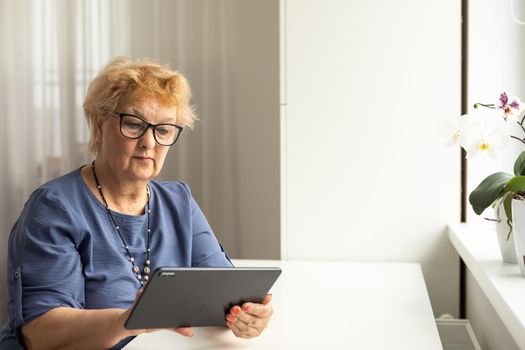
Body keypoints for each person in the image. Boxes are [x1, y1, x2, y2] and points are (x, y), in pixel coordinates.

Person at [0, 57, 274, 349]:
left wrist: (248, 314)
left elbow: (225, 292)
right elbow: (40, 334)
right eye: (134, 124)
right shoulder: (55, 208)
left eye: (164, 129)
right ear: (99, 124)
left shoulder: (178, 201)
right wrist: (128, 321)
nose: (149, 142)